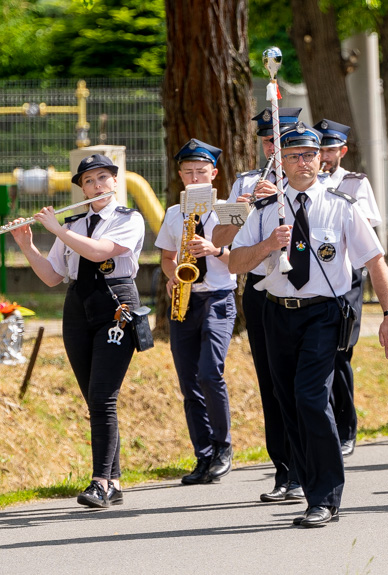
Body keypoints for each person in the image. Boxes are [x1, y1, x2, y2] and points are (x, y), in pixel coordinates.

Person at [230, 122, 388, 528]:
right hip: (276, 312)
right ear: (280, 162)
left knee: (310, 399)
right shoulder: (266, 210)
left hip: (323, 313)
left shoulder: (341, 204)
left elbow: (374, 260)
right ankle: (309, 487)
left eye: (310, 154)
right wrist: (268, 245)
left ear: (322, 158)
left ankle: (325, 497)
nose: (303, 162)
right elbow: (235, 263)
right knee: (287, 402)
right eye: (293, 156)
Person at [10, 154, 145, 508]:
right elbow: (53, 275)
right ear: (81, 188)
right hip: (78, 307)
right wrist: (27, 246)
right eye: (88, 181)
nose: (96, 186)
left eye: (103, 178)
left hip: (116, 303)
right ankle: (113, 480)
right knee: (93, 397)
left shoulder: (128, 219)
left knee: (103, 396)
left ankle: (99, 481)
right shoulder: (74, 223)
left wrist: (57, 229)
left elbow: (100, 251)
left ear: (115, 182)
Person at [212, 106, 305, 503]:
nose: (273, 148)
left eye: (280, 140)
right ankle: (285, 470)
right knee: (272, 382)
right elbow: (220, 236)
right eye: (268, 141)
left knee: (307, 384)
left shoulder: (313, 176)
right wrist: (247, 207)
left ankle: (313, 463)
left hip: (309, 288)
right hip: (263, 287)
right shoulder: (248, 182)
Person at [155, 139, 237, 485]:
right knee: (189, 380)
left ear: (213, 174)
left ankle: (223, 446)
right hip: (186, 299)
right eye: (188, 172)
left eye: (200, 172)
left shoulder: (232, 209)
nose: (194, 178)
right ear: (180, 175)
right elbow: (166, 257)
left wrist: (214, 249)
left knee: (209, 372)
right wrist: (173, 278)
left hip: (218, 297)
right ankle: (202, 454)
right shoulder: (175, 213)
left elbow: (242, 262)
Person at [314, 118, 383, 457]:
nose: (324, 156)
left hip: (347, 276)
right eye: (320, 149)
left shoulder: (355, 183)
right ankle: (324, 426)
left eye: (330, 149)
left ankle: (346, 425)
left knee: (341, 351)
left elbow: (365, 229)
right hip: (315, 276)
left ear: (342, 150)